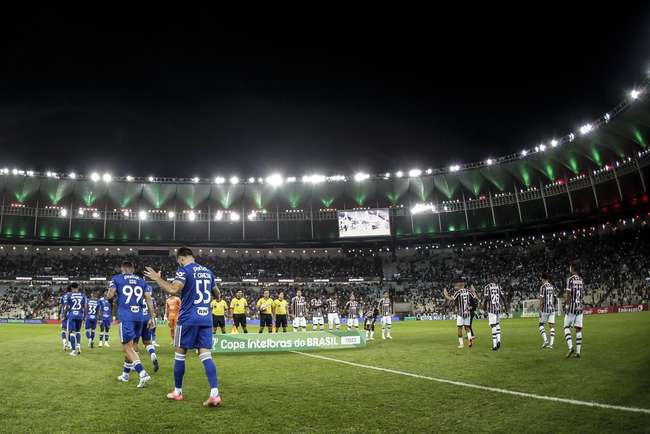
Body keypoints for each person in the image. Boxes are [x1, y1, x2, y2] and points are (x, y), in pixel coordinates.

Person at [145, 247, 222, 407]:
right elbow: (218, 295)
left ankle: (178, 391)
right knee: (206, 355)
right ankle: (215, 393)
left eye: (178, 260)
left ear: (181, 258)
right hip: (206, 319)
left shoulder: (183, 270)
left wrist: (157, 279)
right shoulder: (208, 272)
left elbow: (173, 289)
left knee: (180, 354)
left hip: (188, 319)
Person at [107, 261, 155, 388]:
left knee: (126, 348)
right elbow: (149, 299)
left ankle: (142, 373)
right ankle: (125, 374)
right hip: (139, 317)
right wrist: (152, 317)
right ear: (133, 269)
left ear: (122, 269)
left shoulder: (117, 278)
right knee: (132, 347)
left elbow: (110, 295)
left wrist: (110, 294)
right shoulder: (141, 281)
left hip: (126, 316)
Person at [443, 281, 477, 349]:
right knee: (467, 328)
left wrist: (445, 293)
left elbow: (451, 299)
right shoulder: (469, 291)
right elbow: (474, 297)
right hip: (467, 313)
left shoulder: (458, 292)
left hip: (460, 313)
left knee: (459, 328)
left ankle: (461, 344)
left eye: (457, 286)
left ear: (459, 286)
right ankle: (470, 340)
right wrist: (473, 290)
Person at [563, 261, 585, 358]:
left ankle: (571, 347)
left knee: (566, 327)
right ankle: (578, 352)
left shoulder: (570, 280)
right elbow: (582, 294)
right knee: (578, 329)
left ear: (572, 268)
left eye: (570, 267)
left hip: (572, 306)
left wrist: (567, 305)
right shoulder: (581, 280)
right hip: (579, 307)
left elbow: (568, 294)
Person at [482, 281, 506, 351]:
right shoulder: (498, 286)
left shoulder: (487, 287)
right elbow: (503, 297)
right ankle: (499, 340)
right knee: (497, 324)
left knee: (493, 326)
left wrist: (484, 308)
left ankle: (494, 345)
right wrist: (506, 308)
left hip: (491, 309)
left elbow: (486, 298)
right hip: (498, 308)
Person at [64, 283, 86, 356]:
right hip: (80, 315)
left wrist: (64, 315)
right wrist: (84, 317)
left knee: (72, 332)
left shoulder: (69, 295)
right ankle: (78, 346)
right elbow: (85, 307)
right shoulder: (83, 295)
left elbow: (67, 307)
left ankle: (73, 351)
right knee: (78, 332)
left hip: (72, 315)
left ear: (71, 288)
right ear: (78, 287)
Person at [539, 272, 557, 349]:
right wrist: (554, 306)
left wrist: (540, 309)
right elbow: (555, 298)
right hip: (552, 309)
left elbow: (542, 299)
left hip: (545, 310)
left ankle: (546, 340)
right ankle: (551, 344)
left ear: (542, 278)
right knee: (551, 326)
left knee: (541, 325)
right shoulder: (552, 286)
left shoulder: (543, 287)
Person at [59, 286, 71, 351]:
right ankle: (69, 344)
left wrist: (59, 314)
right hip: (70, 314)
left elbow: (60, 306)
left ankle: (64, 343)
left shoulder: (63, 296)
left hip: (64, 314)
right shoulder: (72, 295)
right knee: (70, 330)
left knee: (63, 329)